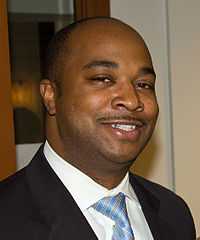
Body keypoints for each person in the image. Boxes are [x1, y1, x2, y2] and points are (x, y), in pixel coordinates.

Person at [0, 17, 196, 240]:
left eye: (143, 85)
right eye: (103, 79)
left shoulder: (174, 214)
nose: (132, 100)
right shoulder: (6, 220)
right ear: (51, 96)